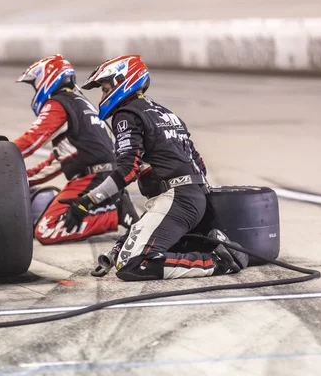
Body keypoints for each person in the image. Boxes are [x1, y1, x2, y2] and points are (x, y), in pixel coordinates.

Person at [60, 55, 249, 281]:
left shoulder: (126, 114)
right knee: (131, 252)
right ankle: (201, 241)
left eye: (105, 88)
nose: (102, 95)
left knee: (133, 264)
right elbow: (199, 163)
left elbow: (128, 169)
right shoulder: (167, 114)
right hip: (189, 196)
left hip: (176, 198)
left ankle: (219, 261)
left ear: (123, 81)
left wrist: (87, 201)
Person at [13, 54, 139, 244]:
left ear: (47, 79)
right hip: (104, 177)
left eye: (35, 85)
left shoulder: (58, 104)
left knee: (46, 230)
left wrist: (0, 154)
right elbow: (56, 162)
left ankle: (112, 212)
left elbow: (31, 140)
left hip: (91, 179)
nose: (35, 90)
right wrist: (18, 180)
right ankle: (110, 203)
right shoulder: (80, 103)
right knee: (46, 220)